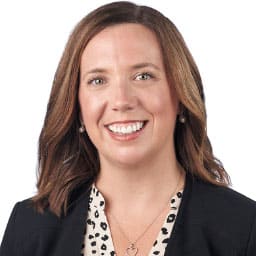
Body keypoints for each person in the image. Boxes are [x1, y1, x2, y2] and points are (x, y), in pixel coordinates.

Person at [1, 1, 255, 255]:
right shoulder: (29, 227)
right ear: (77, 107)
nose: (122, 101)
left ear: (180, 96)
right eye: (98, 80)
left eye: (143, 76)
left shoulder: (244, 228)